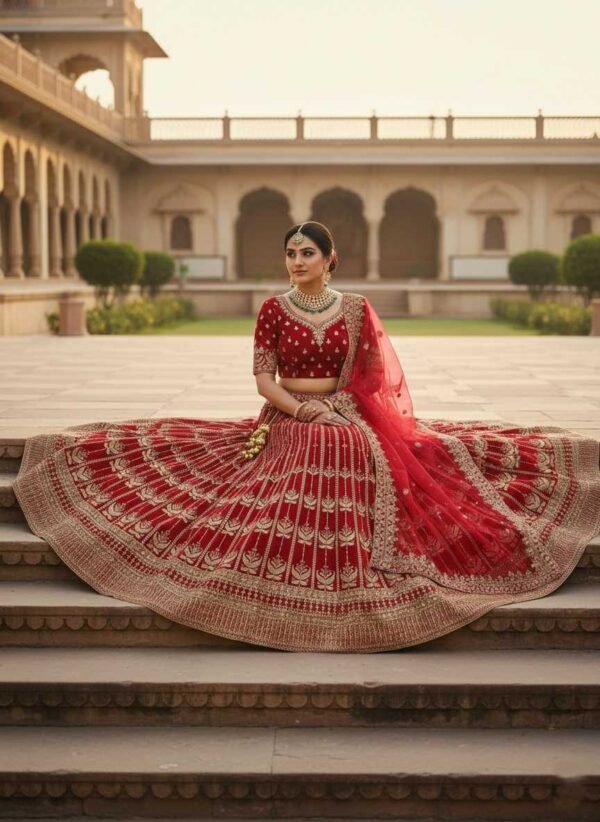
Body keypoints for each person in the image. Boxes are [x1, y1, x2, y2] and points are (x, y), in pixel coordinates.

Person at [14, 221, 600, 652]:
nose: (296, 260)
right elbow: (263, 381)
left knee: (354, 444)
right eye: (290, 252)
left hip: (346, 408)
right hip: (289, 413)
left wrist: (341, 408)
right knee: (320, 443)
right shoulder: (273, 308)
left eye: (307, 252)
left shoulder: (356, 309)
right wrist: (303, 410)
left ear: (329, 258)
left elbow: (371, 379)